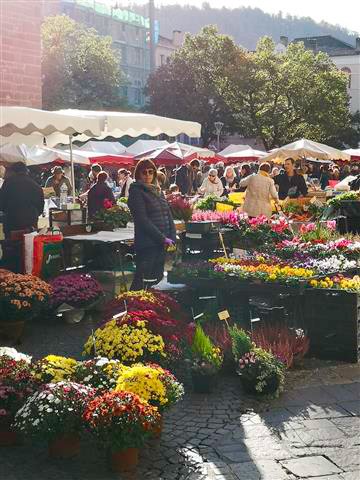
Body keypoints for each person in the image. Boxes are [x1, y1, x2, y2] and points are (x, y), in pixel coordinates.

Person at [128, 159, 176, 291]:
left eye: (151, 172)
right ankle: (133, 308)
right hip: (147, 244)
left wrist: (172, 236)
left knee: (157, 282)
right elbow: (142, 220)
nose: (148, 175)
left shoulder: (158, 191)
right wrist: (162, 238)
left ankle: (153, 309)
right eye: (144, 172)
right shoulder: (136, 191)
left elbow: (168, 214)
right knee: (142, 282)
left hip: (161, 244)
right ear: (138, 174)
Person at [0, 162, 44, 238]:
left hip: (12, 223)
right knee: (30, 247)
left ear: (13, 171)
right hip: (31, 224)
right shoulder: (36, 185)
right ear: (26, 171)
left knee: (13, 247)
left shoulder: (8, 183)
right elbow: (40, 209)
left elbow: (1, 204)